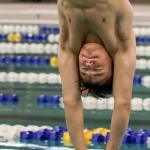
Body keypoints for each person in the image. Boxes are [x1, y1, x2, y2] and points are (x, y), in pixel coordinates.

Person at [57, 0, 136, 150]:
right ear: (114, 65)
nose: (89, 65)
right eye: (98, 71)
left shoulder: (69, 47)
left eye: (85, 72)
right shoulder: (121, 44)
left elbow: (70, 100)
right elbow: (123, 103)